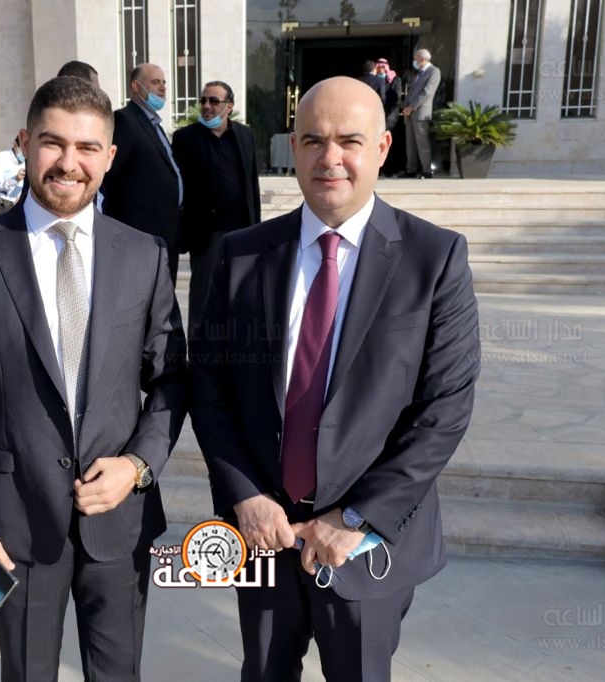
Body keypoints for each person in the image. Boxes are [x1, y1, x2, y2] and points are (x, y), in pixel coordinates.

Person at [190, 76, 480, 681]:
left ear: (382, 148)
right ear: (293, 148)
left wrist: (355, 519)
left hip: (364, 544)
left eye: (350, 141)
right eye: (313, 140)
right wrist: (246, 495)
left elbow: (444, 409)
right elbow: (210, 387)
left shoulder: (435, 259)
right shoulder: (241, 255)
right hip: (262, 532)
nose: (331, 159)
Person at [0, 76, 187, 682]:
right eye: (53, 143)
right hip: (8, 531)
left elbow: (172, 380)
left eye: (88, 147)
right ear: (24, 143)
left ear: (110, 156)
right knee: (25, 673)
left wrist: (138, 466)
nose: (70, 163)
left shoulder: (145, 254)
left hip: (120, 524)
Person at [171, 80, 260, 335]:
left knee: (240, 294)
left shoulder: (245, 135)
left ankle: (234, 348)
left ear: (229, 106)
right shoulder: (185, 138)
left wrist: (256, 229)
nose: (207, 106)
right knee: (203, 298)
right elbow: (176, 189)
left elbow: (251, 184)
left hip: (241, 231)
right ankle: (200, 352)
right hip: (205, 234)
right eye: (203, 100)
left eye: (214, 101)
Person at [100, 63, 183, 279]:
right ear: (136, 87)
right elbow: (109, 177)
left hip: (166, 233)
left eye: (164, 82)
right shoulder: (125, 121)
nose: (163, 88)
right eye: (155, 82)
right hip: (140, 234)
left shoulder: (155, 125)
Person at [401, 48, 441, 178]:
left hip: (421, 113)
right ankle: (411, 170)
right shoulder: (418, 73)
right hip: (410, 113)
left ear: (422, 59)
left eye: (416, 58)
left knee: (422, 143)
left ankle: (426, 170)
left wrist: (412, 107)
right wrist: (405, 106)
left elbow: (427, 92)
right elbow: (411, 92)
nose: (414, 61)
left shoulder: (434, 71)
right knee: (410, 144)